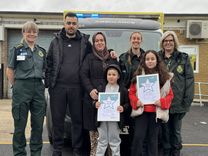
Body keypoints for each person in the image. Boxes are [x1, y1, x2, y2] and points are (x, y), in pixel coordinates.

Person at [6, 21, 46, 156]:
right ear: (23, 33)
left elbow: (45, 70)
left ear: (37, 34)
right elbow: (10, 70)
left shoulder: (41, 52)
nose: (31, 34)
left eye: (34, 32)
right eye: (28, 31)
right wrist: (15, 86)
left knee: (38, 125)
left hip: (38, 89)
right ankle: (19, 153)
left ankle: (36, 153)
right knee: (20, 125)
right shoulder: (17, 49)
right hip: (22, 88)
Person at [80, 32, 119, 156]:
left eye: (102, 40)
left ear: (105, 42)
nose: (99, 42)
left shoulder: (112, 57)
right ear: (93, 43)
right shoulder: (89, 58)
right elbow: (83, 75)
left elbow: (118, 75)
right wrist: (90, 89)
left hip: (109, 102)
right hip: (94, 100)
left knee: (111, 137)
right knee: (95, 138)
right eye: (96, 41)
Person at [129, 50, 174, 156]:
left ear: (157, 61)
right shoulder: (138, 76)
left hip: (155, 113)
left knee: (153, 140)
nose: (150, 61)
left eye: (152, 59)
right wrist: (136, 101)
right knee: (138, 138)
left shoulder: (164, 77)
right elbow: (131, 93)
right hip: (142, 112)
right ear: (144, 61)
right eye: (147, 59)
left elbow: (170, 95)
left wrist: (162, 102)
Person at [158, 31, 194, 156]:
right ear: (162, 43)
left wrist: (187, 101)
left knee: (176, 132)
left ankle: (176, 152)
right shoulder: (157, 57)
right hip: (162, 102)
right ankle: (166, 152)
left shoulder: (183, 58)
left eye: (170, 40)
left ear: (175, 43)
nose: (168, 43)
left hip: (178, 102)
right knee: (164, 131)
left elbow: (189, 80)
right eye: (165, 41)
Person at [119, 31, 145, 155]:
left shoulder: (146, 57)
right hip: (126, 99)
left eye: (138, 38)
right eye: (134, 38)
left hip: (141, 100)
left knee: (137, 129)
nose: (136, 40)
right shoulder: (123, 58)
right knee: (125, 126)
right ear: (130, 40)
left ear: (141, 40)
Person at [95, 64, 129, 156]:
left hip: (115, 120)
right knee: (102, 140)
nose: (111, 76)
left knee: (115, 141)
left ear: (118, 76)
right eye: (109, 74)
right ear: (106, 76)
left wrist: (123, 108)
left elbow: (127, 104)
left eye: (114, 74)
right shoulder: (101, 88)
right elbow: (93, 102)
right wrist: (96, 104)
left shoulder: (123, 90)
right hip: (102, 119)